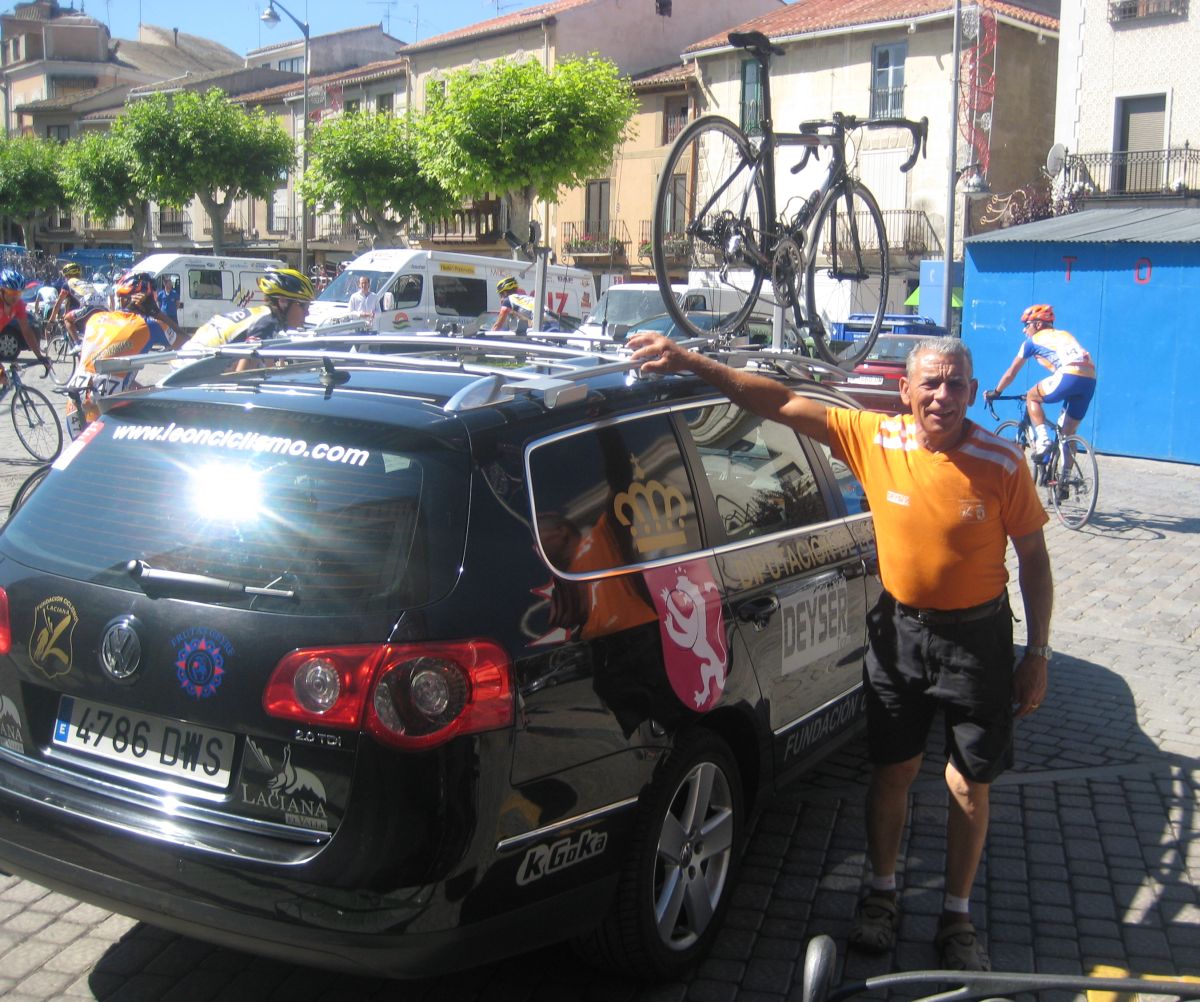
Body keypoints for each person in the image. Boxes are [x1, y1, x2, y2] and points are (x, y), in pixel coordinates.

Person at [628, 331, 1053, 972]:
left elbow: (1035, 560)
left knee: (969, 784)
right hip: (899, 633)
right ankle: (881, 897)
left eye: (956, 384)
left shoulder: (1003, 462)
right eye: (931, 383)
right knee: (893, 772)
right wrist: (690, 360)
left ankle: (957, 916)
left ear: (972, 391)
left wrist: (1038, 652)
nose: (943, 396)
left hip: (978, 642)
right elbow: (777, 402)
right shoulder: (875, 438)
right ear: (905, 391)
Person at [65, 271, 183, 432]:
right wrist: (158, 313)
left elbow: (105, 369)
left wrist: (142, 389)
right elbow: (188, 343)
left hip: (74, 400)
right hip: (104, 407)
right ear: (150, 299)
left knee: (81, 448)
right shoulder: (149, 325)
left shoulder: (97, 318)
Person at [984, 304, 1097, 457]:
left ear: (1038, 324)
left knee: (1032, 396)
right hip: (1090, 378)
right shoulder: (1064, 334)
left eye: (1026, 325)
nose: (1024, 330)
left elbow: (1011, 373)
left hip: (1069, 374)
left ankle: (1043, 441)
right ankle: (1067, 472)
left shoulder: (1032, 342)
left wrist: (996, 392)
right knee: (1067, 433)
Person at [178, 268, 314, 354]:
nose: (307, 313)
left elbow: (267, 365)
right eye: (304, 306)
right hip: (191, 368)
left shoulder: (264, 315)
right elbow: (242, 372)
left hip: (192, 356)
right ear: (283, 302)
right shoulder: (268, 322)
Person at [0, 269, 51, 375]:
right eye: (11, 292)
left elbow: (26, 330)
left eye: (19, 293)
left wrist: (40, 357)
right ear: (2, 290)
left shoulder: (18, 305)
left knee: (4, 378)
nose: (15, 297)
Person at [49, 261, 109, 344]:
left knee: (67, 319)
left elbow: (58, 304)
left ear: (67, 275)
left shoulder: (68, 284)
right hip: (103, 308)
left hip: (89, 308)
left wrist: (51, 320)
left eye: (65, 276)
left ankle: (77, 344)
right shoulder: (85, 282)